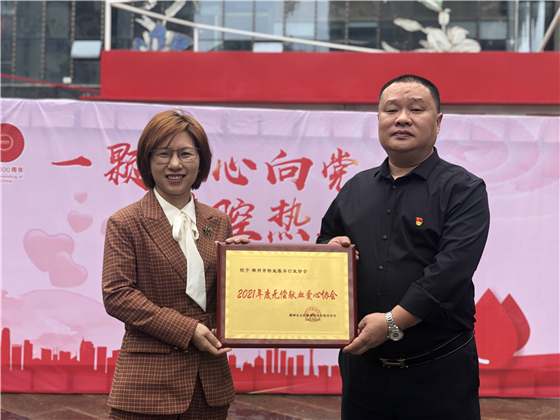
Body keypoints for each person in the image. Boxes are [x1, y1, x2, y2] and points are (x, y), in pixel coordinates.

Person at [317, 75, 490, 420]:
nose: (402, 119)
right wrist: (331, 250)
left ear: (438, 122)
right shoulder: (355, 188)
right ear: (378, 119)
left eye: (416, 109)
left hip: (438, 372)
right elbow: (325, 241)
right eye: (391, 110)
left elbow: (451, 270)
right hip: (364, 373)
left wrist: (391, 322)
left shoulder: (464, 189)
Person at [102, 110, 248, 420]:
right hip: (147, 384)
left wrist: (242, 269)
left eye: (185, 154)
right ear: (147, 161)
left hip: (209, 384)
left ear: (200, 160)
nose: (175, 164)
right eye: (163, 154)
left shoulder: (218, 222)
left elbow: (224, 298)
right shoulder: (125, 222)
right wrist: (187, 329)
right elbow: (117, 295)